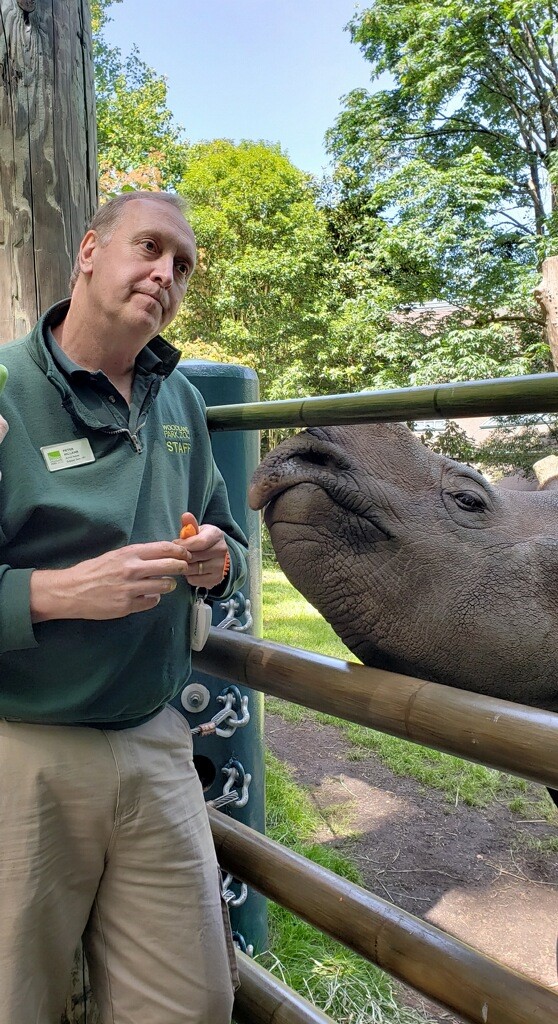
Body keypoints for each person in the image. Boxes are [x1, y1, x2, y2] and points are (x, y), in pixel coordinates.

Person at [0, 191, 248, 1024]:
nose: (165, 273)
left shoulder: (181, 402)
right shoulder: (5, 390)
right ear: (89, 250)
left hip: (155, 738)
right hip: (22, 748)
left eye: (183, 265)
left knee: (194, 1004)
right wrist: (61, 592)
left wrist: (216, 560)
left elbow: (223, 534)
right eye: (150, 248)